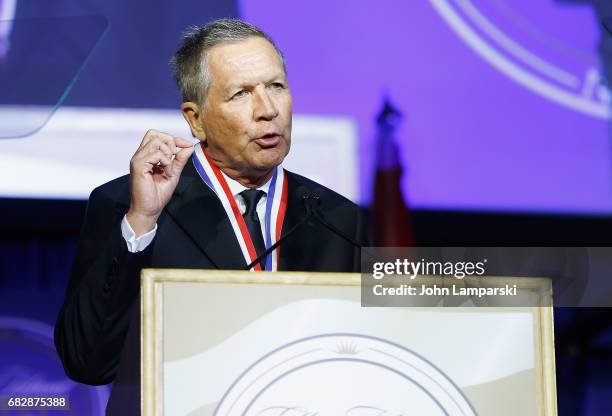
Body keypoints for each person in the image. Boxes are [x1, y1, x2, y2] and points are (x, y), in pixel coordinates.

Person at [54, 18, 367, 415]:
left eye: (276, 87)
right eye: (241, 94)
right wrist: (141, 222)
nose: (268, 110)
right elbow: (88, 362)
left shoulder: (337, 219)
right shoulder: (129, 205)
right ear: (195, 118)